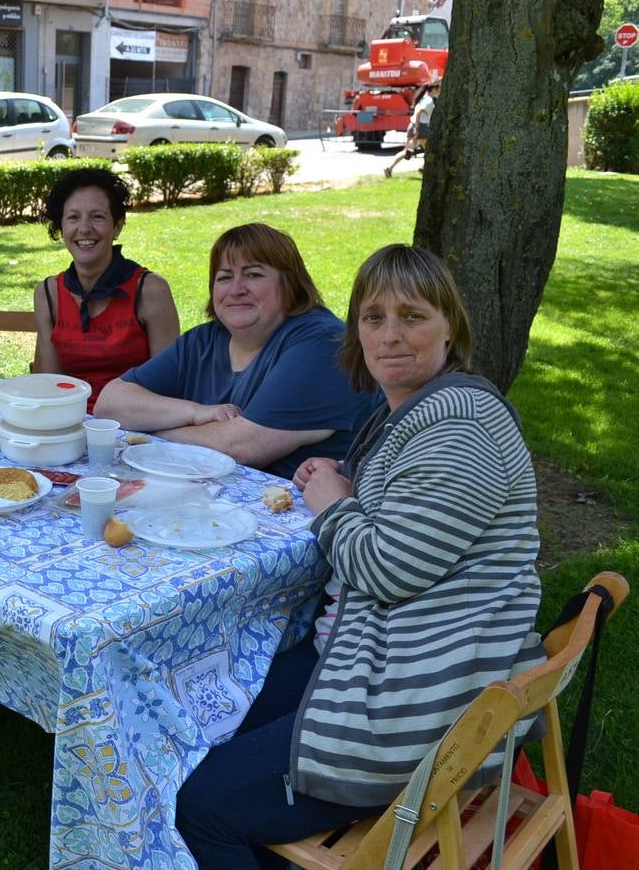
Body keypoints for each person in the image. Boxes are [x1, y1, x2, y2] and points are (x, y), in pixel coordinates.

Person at [174, 244, 544, 869]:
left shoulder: (462, 427)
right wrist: (348, 477)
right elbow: (415, 498)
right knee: (208, 714)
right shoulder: (426, 411)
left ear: (450, 325)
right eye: (373, 318)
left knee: (203, 805)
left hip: (412, 700)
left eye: (412, 316)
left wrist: (330, 501)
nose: (390, 336)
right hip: (380, 653)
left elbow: (386, 568)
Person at [94, 223, 374, 479]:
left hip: (309, 518)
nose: (236, 289)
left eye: (253, 274)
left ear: (289, 285)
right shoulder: (204, 340)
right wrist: (194, 412)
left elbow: (241, 447)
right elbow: (110, 403)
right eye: (225, 277)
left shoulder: (323, 343)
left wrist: (149, 431)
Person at [33, 167, 180, 410]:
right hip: (71, 422)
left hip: (139, 424)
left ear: (117, 226)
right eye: (73, 217)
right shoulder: (48, 294)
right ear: (61, 228)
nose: (84, 228)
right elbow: (52, 385)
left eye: (97, 216)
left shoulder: (150, 291)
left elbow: (170, 385)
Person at [385, 81, 438, 177]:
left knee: (407, 151)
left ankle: (389, 168)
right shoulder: (429, 100)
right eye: (439, 89)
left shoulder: (423, 98)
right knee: (431, 151)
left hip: (412, 125)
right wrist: (417, 128)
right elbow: (419, 113)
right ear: (434, 89)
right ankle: (423, 168)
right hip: (421, 126)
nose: (439, 91)